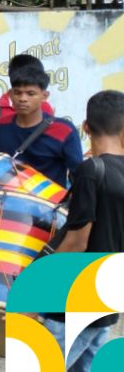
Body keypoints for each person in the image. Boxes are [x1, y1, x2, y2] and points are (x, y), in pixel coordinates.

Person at [41, 90, 124, 372]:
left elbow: (76, 242)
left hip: (75, 302)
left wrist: (36, 297)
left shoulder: (91, 170)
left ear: (85, 127)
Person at [0, 64, 83, 188]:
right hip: (4, 202)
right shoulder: (1, 126)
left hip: (49, 205)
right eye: (17, 93)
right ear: (10, 94)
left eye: (30, 94)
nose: (23, 99)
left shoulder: (64, 130)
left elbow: (79, 176)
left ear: (44, 96)